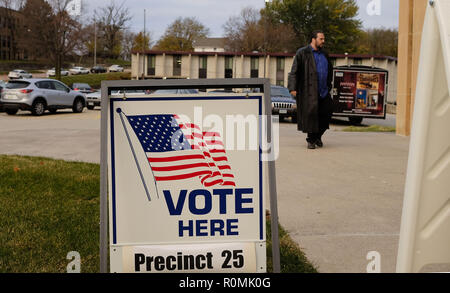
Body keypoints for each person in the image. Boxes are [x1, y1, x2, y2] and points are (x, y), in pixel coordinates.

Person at [288, 30, 334, 149]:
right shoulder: (302, 53)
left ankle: (318, 136)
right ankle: (311, 140)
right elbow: (294, 72)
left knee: (327, 114)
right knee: (312, 116)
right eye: (321, 39)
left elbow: (330, 71)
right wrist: (292, 88)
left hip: (324, 91)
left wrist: (329, 85)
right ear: (313, 39)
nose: (323, 41)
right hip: (309, 91)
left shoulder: (325, 54)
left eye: (323, 39)